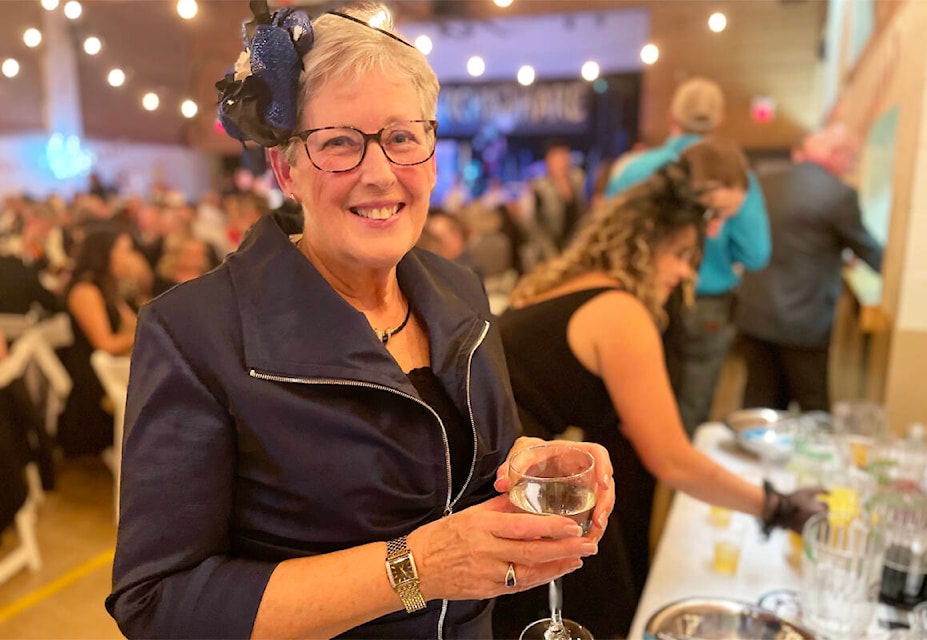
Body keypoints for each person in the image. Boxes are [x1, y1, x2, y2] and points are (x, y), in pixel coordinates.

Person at [106, 3, 614, 638]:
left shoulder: (460, 292)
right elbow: (157, 604)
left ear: (431, 157)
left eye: (402, 138)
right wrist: (416, 568)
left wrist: (533, 465)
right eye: (340, 143)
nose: (379, 173)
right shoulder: (194, 333)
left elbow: (479, 481)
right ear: (286, 169)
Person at [493, 140, 824, 639]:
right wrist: (776, 505)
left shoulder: (571, 280)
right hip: (530, 500)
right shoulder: (621, 312)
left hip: (511, 478)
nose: (687, 273)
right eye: (683, 255)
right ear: (647, 243)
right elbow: (671, 459)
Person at [606, 77, 771, 437]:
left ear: (671, 118)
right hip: (706, 304)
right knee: (691, 411)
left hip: (636, 299)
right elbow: (756, 255)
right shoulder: (735, 177)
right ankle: (679, 486)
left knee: (628, 405)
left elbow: (607, 241)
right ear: (719, 122)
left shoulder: (632, 169)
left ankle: (631, 487)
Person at [735, 125, 883, 412]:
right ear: (836, 155)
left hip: (755, 313)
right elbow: (868, 249)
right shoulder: (839, 195)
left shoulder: (763, 182)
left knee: (758, 403)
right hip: (804, 321)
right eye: (852, 159)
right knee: (812, 406)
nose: (852, 167)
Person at [56, 225, 140, 458]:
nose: (129, 258)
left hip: (106, 364)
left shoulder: (107, 285)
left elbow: (132, 322)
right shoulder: (86, 289)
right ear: (106, 253)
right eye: (124, 251)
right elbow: (105, 343)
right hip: (92, 376)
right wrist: (145, 333)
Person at [522, 138, 588, 268]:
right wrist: (551, 255)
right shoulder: (539, 188)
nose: (562, 162)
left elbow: (585, 215)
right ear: (548, 160)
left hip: (575, 249)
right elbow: (535, 227)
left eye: (565, 157)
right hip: (548, 254)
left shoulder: (578, 181)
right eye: (557, 158)